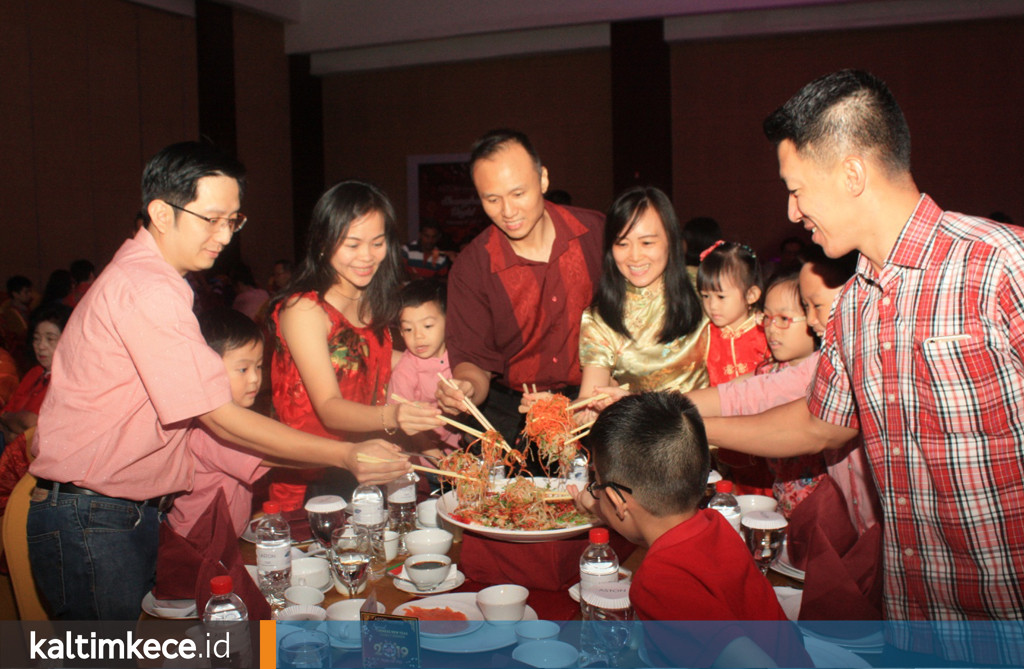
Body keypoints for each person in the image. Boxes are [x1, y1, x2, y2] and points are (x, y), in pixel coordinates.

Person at [702, 70, 1024, 653]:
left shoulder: (998, 266)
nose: (793, 211)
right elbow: (817, 423)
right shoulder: (852, 306)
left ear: (852, 174)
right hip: (913, 622)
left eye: (797, 188)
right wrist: (685, 423)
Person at [27, 142, 410, 620]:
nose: (225, 235)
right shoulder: (148, 287)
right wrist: (345, 453)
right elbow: (220, 420)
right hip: (95, 516)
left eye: (234, 220)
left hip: (113, 513)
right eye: (212, 219)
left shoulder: (154, 280)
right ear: (161, 213)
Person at [569, 392, 810, 668]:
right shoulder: (715, 525)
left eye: (596, 484)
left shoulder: (660, 581)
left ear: (616, 500)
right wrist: (598, 502)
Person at [269, 180, 442, 508]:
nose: (367, 257)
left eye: (377, 243)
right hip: (311, 475)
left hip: (364, 463)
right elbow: (329, 408)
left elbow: (382, 360)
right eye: (352, 244)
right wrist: (395, 416)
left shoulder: (371, 299)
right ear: (323, 242)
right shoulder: (305, 309)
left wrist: (445, 375)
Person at [688, 249, 879, 533]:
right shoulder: (825, 361)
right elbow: (747, 393)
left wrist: (682, 425)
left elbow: (810, 427)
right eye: (806, 306)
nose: (813, 320)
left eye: (816, 306)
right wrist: (659, 404)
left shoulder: (863, 357)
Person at [438, 129, 604, 450]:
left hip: (592, 400)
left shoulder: (595, 234)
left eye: (518, 193)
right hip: (510, 412)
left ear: (542, 180)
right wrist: (465, 389)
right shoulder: (472, 267)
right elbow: (474, 362)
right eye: (492, 199)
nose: (508, 211)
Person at [576, 186, 708, 402]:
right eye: (622, 244)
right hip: (644, 432)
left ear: (671, 240)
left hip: (716, 425)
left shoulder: (705, 286)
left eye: (647, 242)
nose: (634, 256)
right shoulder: (601, 316)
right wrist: (556, 413)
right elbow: (591, 398)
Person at [167, 308, 270, 537]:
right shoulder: (211, 431)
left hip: (223, 542)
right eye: (243, 369)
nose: (254, 378)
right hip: (198, 548)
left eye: (259, 366)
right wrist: (339, 453)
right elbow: (277, 453)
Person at [697, 241, 772, 493]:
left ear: (751, 295)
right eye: (705, 296)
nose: (712, 306)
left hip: (768, 435)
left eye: (720, 297)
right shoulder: (706, 334)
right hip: (724, 440)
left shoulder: (767, 332)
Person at [750, 271, 827, 516]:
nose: (772, 328)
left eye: (784, 318)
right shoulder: (769, 371)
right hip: (782, 497)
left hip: (823, 504)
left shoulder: (826, 375)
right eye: (767, 317)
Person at [0, 304, 71, 515]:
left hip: (37, 472)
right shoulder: (34, 373)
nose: (40, 346)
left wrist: (7, 419)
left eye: (50, 339)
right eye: (36, 338)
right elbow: (17, 424)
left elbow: (30, 425)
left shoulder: (68, 382)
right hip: (12, 457)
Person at [388, 279, 461, 459]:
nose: (418, 336)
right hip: (426, 456)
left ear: (448, 320)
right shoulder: (405, 371)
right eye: (408, 329)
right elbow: (408, 426)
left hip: (463, 447)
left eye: (427, 326)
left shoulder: (460, 353)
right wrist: (438, 458)